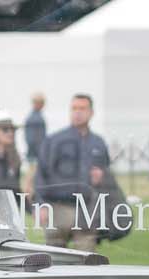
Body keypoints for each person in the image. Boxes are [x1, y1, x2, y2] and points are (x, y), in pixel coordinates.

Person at [34, 93, 111, 251]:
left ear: (91, 112)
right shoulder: (54, 140)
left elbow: (107, 178)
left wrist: (101, 179)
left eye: (82, 108)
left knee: (87, 262)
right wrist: (41, 205)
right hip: (58, 208)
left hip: (87, 209)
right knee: (55, 263)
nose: (78, 112)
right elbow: (41, 174)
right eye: (74, 108)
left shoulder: (99, 143)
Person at [24, 94, 47, 165]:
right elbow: (31, 139)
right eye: (41, 102)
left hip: (34, 153)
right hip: (35, 154)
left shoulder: (35, 116)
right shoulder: (35, 119)